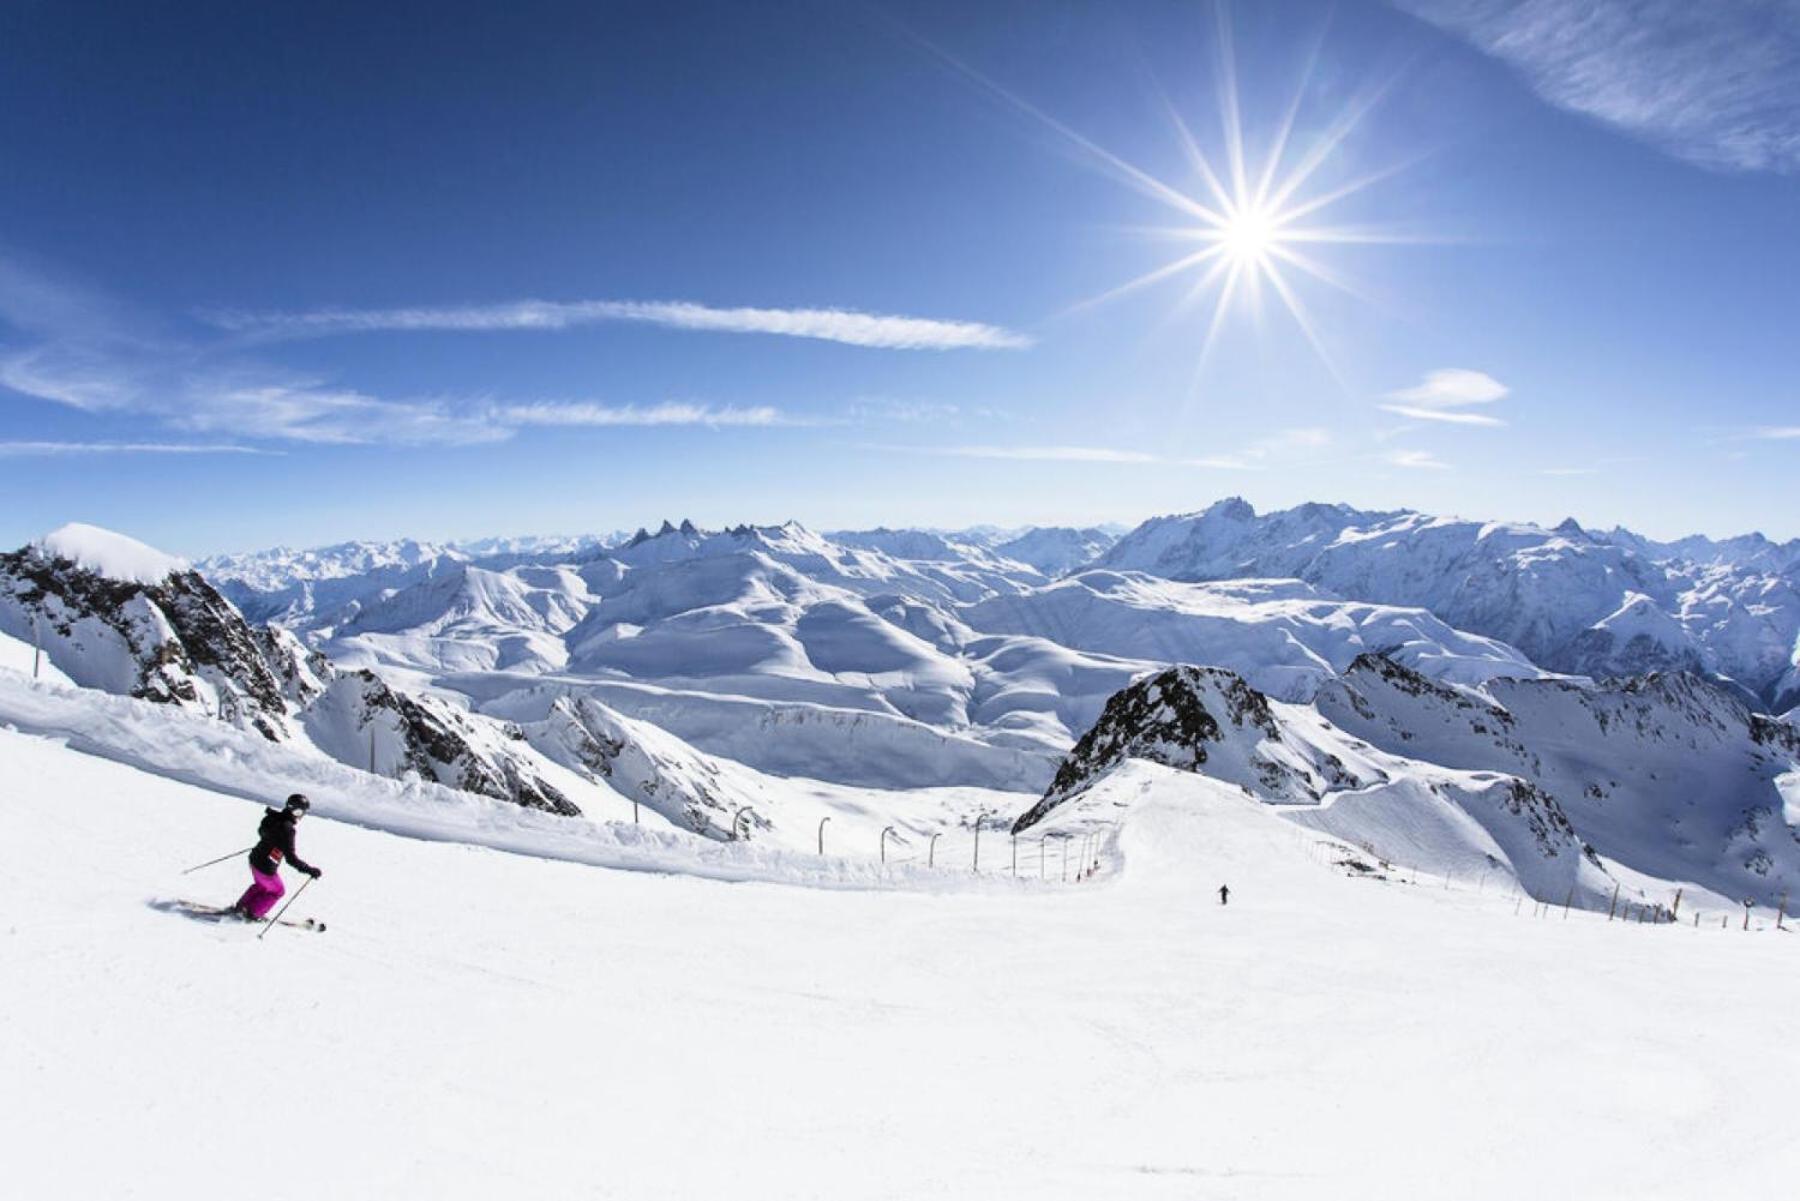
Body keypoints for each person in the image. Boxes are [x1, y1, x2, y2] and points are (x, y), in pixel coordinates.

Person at [231, 794, 322, 920]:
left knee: (261, 886)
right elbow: (291, 859)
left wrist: (271, 843)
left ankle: (242, 907)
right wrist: (309, 870)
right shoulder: (288, 829)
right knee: (277, 891)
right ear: (297, 811)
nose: (302, 815)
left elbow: (262, 832)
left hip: (255, 859)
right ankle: (253, 914)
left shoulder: (273, 818)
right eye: (302, 812)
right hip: (265, 867)